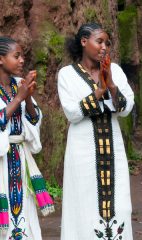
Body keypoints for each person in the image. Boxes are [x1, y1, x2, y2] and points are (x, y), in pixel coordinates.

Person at [58, 23, 134, 239]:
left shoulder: (115, 70)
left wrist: (110, 84)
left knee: (120, 204)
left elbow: (126, 108)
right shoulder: (67, 74)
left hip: (114, 150)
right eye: (99, 41)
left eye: (107, 43)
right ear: (84, 41)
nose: (104, 47)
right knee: (84, 202)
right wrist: (99, 92)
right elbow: (72, 113)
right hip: (82, 151)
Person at [0, 36, 54, 239]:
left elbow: (33, 119)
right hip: (2, 161)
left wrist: (28, 96)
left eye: (22, 56)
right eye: (16, 56)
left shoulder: (19, 85)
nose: (22, 60)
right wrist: (19, 98)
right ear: (1, 59)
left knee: (24, 212)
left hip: (20, 160)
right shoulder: (17, 92)